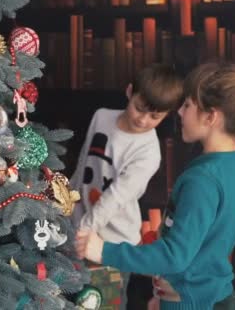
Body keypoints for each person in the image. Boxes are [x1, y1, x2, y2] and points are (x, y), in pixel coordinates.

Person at [75, 62, 235, 310]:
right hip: (206, 295)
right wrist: (166, 292)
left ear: (210, 116)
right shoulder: (232, 166)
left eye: (187, 105)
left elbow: (174, 255)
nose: (179, 112)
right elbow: (203, 246)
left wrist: (103, 251)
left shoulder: (203, 180)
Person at [71, 64, 184, 309]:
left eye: (155, 117)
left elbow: (115, 198)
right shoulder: (101, 116)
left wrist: (84, 232)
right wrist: (65, 203)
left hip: (113, 243)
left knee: (102, 304)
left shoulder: (148, 153)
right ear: (130, 91)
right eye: (139, 108)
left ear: (167, 115)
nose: (143, 120)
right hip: (79, 227)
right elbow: (83, 165)